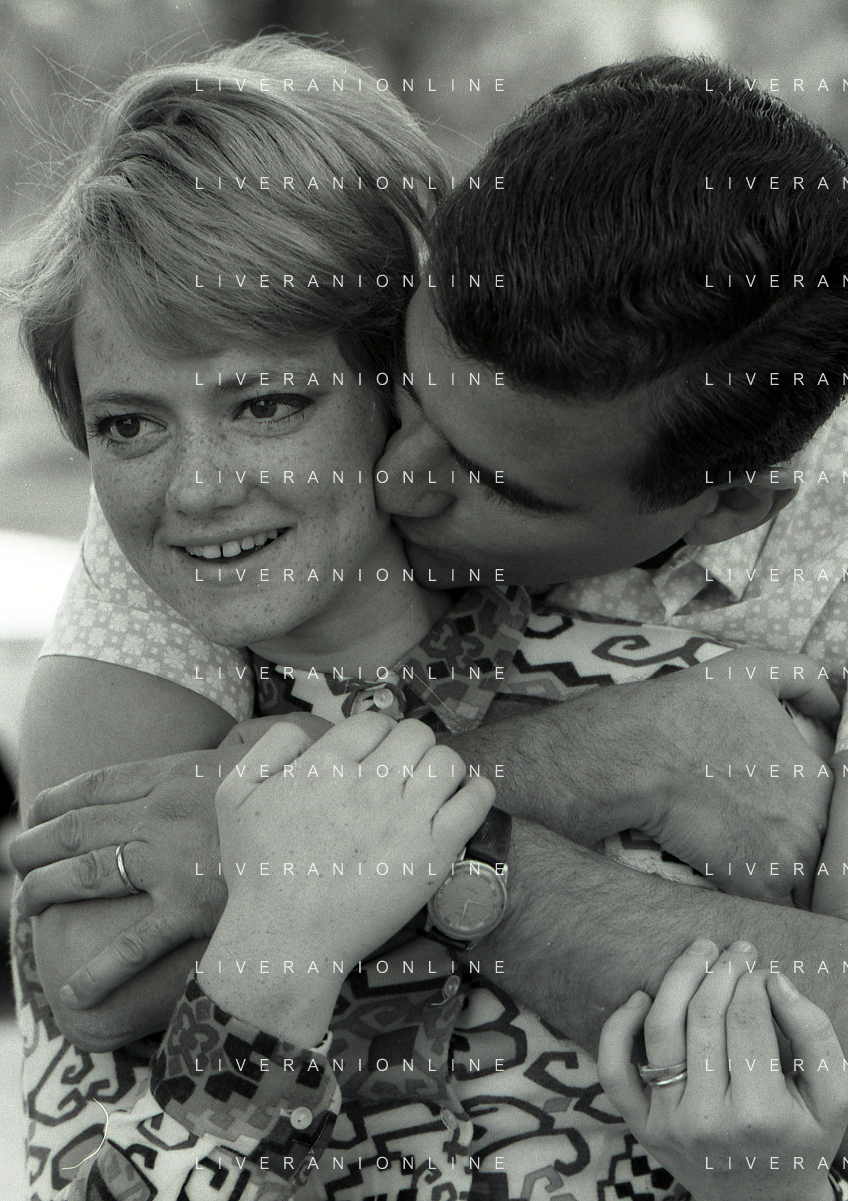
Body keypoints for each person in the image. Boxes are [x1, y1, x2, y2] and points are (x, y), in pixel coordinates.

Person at [10, 47, 848, 1198]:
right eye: (411, 395)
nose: (403, 480)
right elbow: (90, 962)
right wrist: (602, 759)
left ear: (727, 509)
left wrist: (379, 848)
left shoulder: (763, 667)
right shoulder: (213, 518)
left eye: (489, 477)